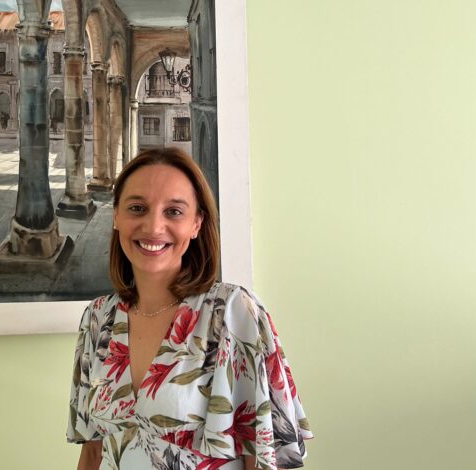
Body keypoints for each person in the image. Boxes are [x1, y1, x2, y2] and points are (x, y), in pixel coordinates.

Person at [67, 148, 312, 469]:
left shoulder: (232, 313)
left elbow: (263, 455)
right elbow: (92, 452)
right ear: (116, 217)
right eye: (137, 208)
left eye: (173, 212)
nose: (153, 226)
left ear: (197, 223)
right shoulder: (98, 318)